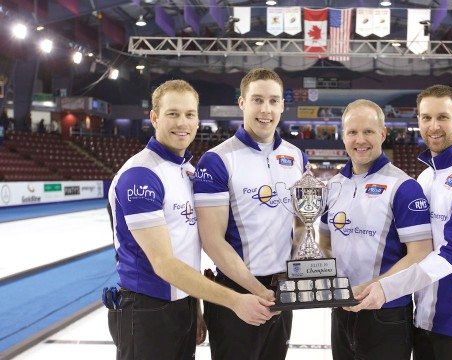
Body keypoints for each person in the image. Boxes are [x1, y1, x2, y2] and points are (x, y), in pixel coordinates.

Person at [107, 79, 274, 360]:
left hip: (180, 306)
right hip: (146, 310)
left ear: (198, 121)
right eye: (172, 114)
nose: (182, 123)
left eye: (189, 114)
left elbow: (186, 250)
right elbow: (164, 264)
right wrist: (234, 300)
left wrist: (193, 305)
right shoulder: (141, 175)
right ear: (154, 118)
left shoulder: (186, 171)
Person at [352, 85, 452, 360]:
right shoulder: (425, 178)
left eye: (442, 117)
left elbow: (451, 255)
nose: (434, 126)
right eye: (426, 118)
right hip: (425, 319)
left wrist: (386, 288)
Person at [193, 68, 306, 360]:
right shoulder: (217, 160)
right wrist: (256, 290)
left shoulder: (296, 156)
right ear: (242, 103)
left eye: (273, 100)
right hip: (237, 293)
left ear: (282, 105)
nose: (265, 109)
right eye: (257, 100)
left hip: (281, 291)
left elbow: (300, 222)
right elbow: (212, 240)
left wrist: (301, 266)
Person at [318, 99, 433, 360]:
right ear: (343, 136)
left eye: (368, 131)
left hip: (387, 313)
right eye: (353, 132)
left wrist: (370, 287)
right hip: (342, 311)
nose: (360, 140)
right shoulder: (333, 186)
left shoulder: (403, 187)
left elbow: (420, 253)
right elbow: (324, 243)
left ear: (383, 134)